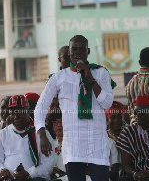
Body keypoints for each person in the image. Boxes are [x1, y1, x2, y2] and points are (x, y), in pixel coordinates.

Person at [35, 35, 113, 181]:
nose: (77, 53)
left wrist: (89, 77)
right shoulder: (58, 77)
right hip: (73, 145)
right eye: (74, 49)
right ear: (69, 52)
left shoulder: (101, 73)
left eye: (81, 49)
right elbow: (40, 106)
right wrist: (42, 135)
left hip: (96, 142)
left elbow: (107, 103)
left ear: (88, 51)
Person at [0, 95, 54, 181]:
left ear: (29, 111)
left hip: (33, 178)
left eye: (19, 111)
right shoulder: (3, 134)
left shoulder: (41, 134)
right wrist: (1, 170)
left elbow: (48, 165)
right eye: (12, 112)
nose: (16, 116)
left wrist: (29, 174)